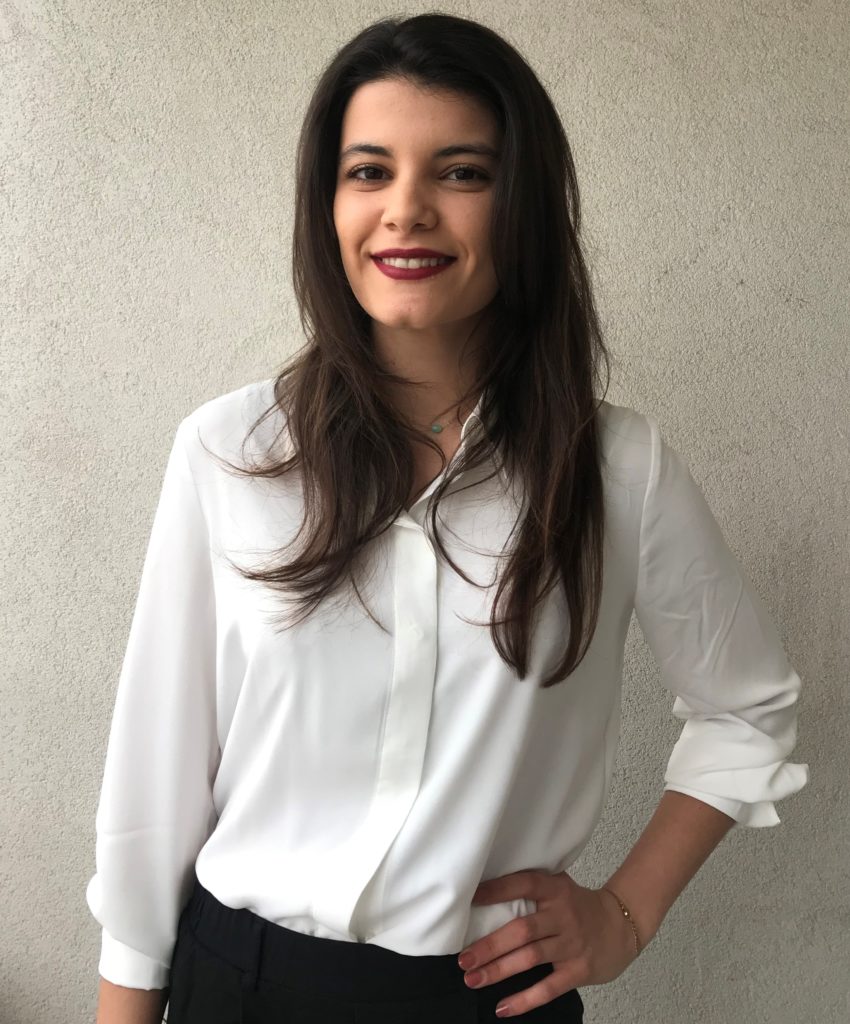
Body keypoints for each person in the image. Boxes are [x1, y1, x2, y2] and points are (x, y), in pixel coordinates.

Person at [89, 13, 809, 1024]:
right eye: (368, 172)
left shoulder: (615, 469)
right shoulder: (228, 451)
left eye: (462, 172)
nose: (407, 210)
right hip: (239, 982)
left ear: (522, 208)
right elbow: (153, 781)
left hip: (485, 997)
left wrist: (625, 914)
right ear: (327, 203)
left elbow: (747, 706)